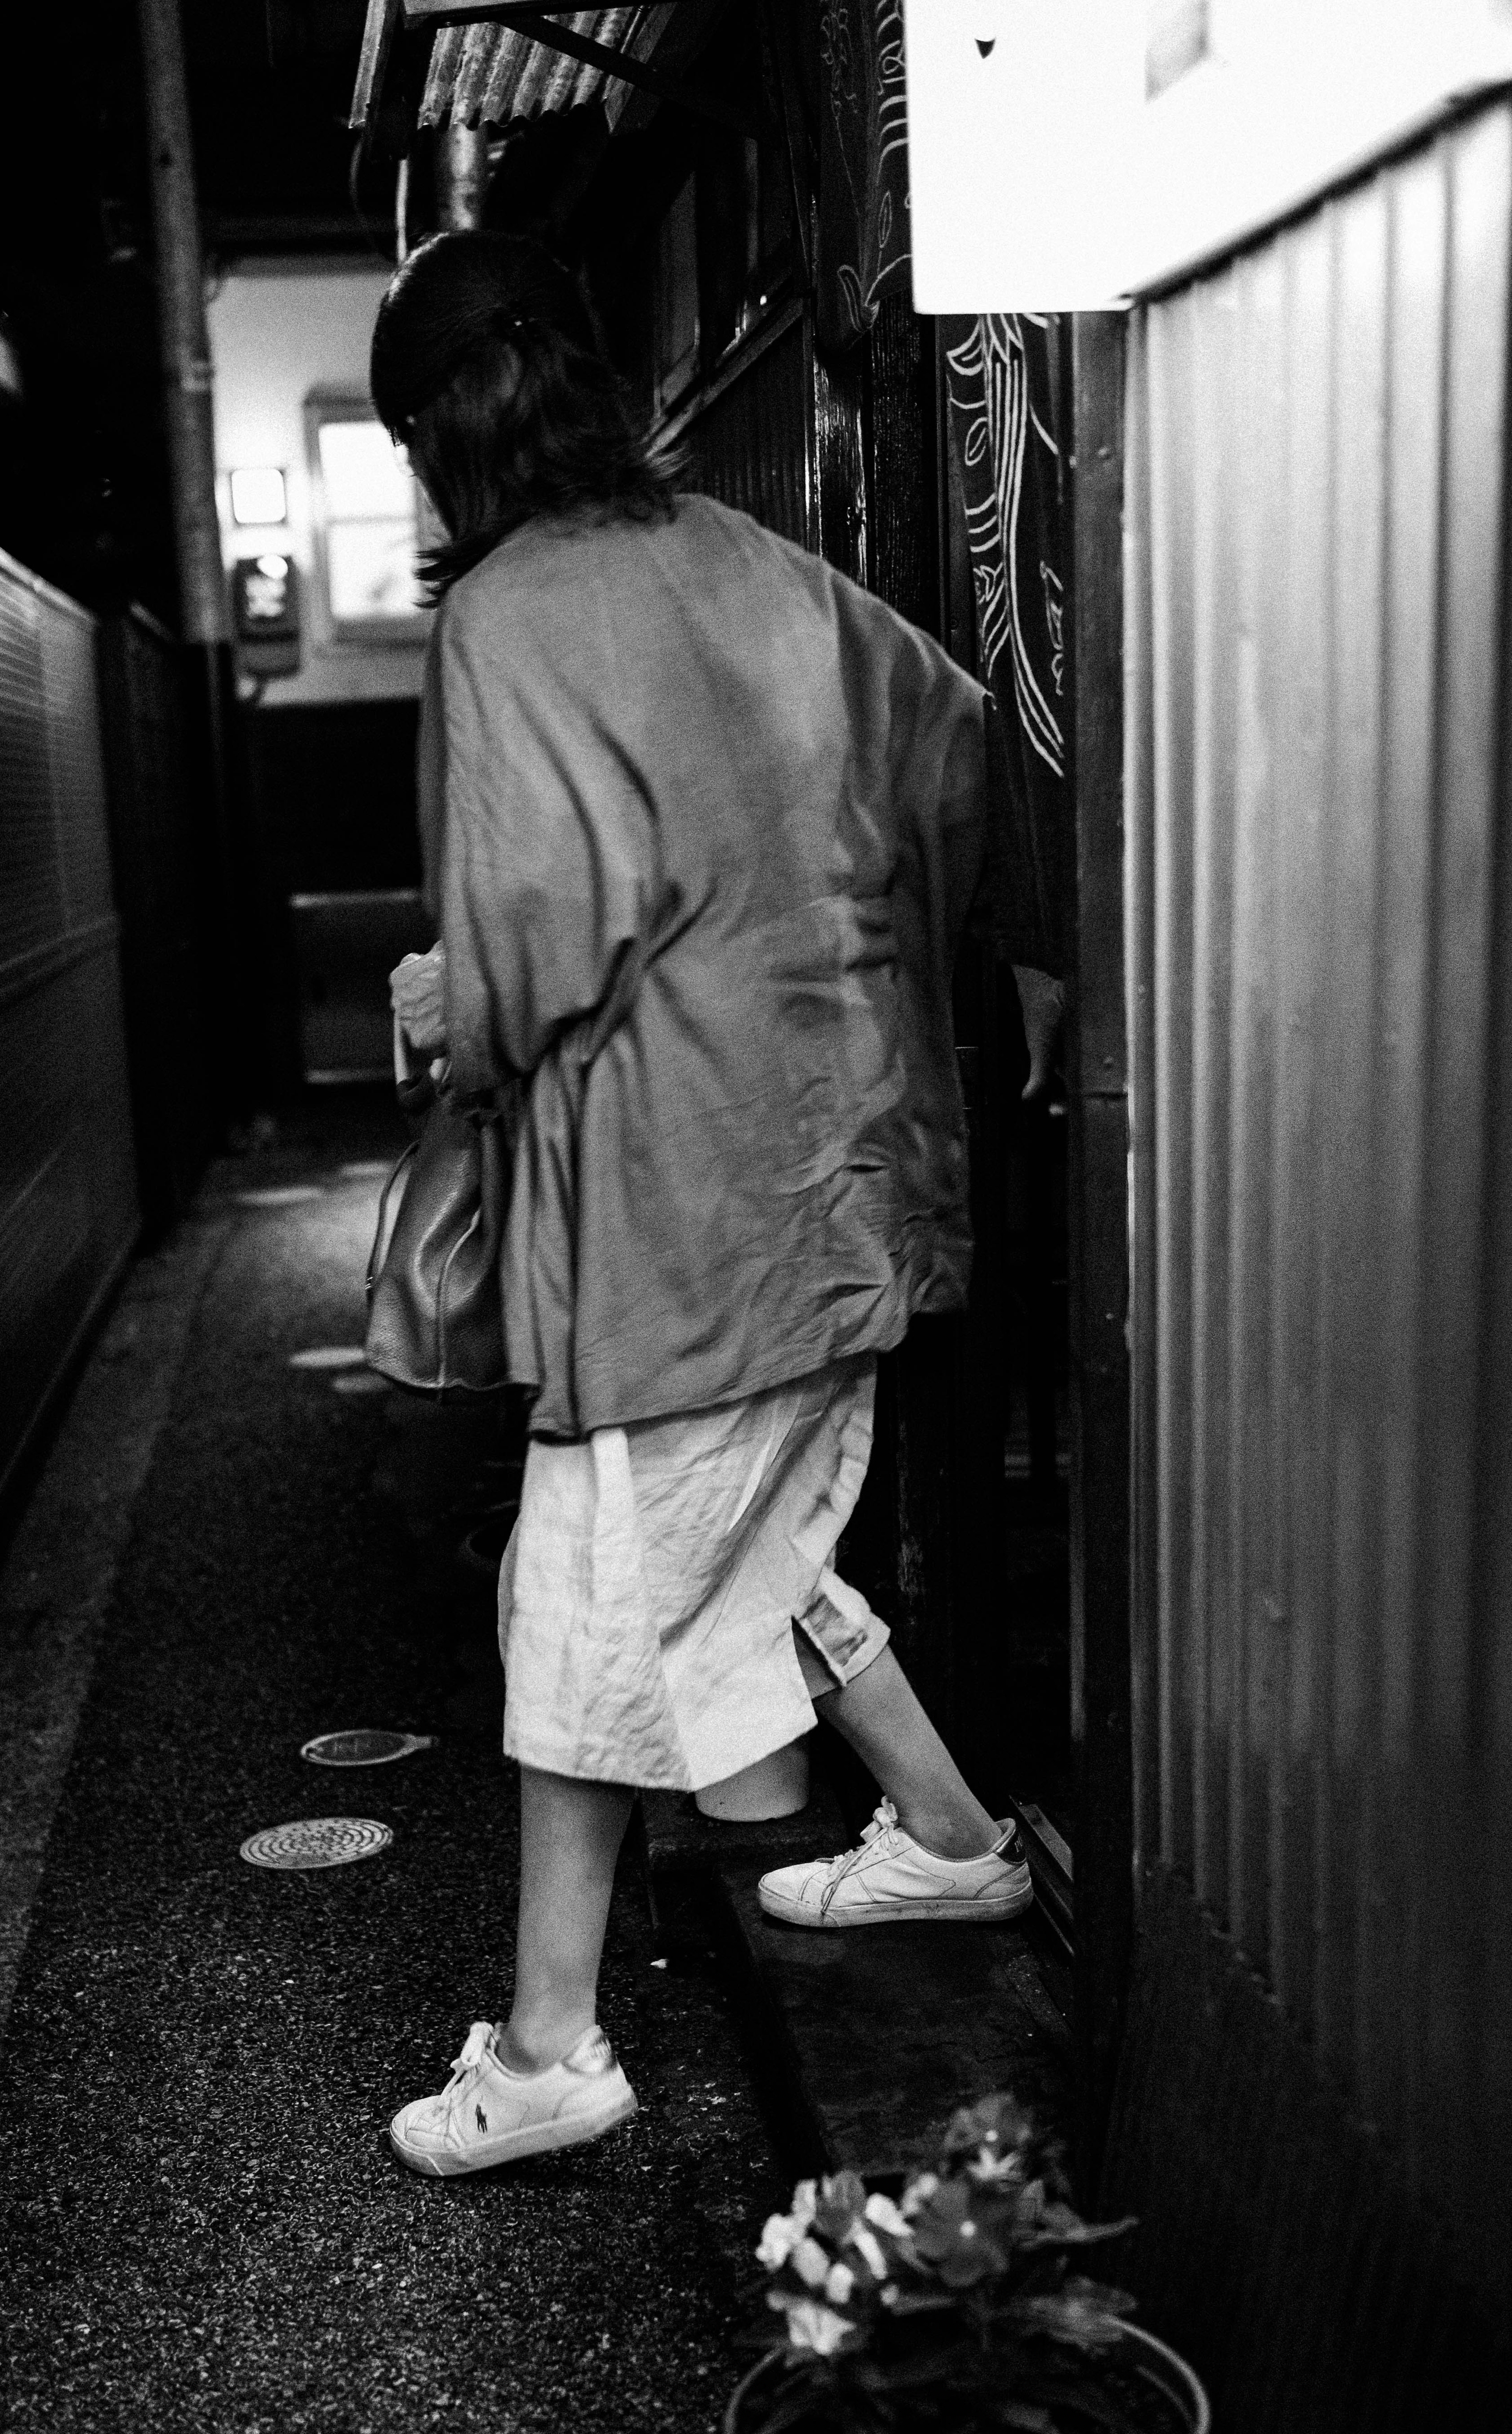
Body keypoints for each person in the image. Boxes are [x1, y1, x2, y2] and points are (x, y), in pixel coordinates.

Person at [376, 232, 1035, 2182]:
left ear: (436, 437)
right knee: (754, 1532)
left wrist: (446, 999)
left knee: (585, 1596)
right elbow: (952, 735)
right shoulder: (755, 567)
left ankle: (554, 2048)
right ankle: (957, 1842)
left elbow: (525, 957)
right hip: (848, 1177)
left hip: (675, 1217)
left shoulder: (509, 613)